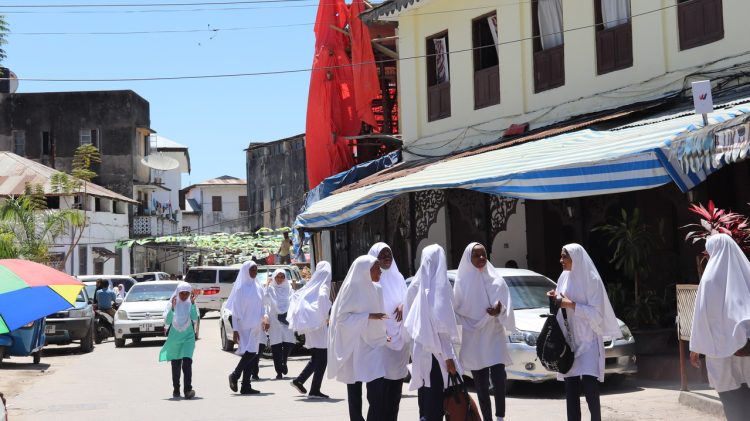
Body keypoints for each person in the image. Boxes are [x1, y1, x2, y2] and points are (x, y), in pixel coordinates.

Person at [547, 244, 620, 421]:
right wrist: (554, 299)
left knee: (590, 387)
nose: (561, 260)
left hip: (588, 340)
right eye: (561, 256)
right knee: (571, 389)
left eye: (565, 256)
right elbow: (559, 304)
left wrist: (571, 305)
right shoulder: (563, 277)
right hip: (570, 340)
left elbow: (597, 314)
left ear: (576, 258)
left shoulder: (592, 280)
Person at [689, 234, 750, 421]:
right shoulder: (746, 273)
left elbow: (701, 316)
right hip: (746, 349)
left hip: (719, 351)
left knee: (730, 398)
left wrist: (696, 347)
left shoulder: (709, 279)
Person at [453, 243, 515, 421]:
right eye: (476, 255)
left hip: (493, 333)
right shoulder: (462, 282)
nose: (481, 258)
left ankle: (500, 417)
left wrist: (499, 310)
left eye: (484, 254)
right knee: (480, 384)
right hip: (474, 338)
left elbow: (506, 305)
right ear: (468, 259)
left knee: (499, 378)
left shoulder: (496, 279)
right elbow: (456, 311)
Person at [328, 255, 389, 421]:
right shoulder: (351, 288)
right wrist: (368, 316)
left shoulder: (378, 289)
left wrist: (383, 336)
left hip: (372, 345)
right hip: (354, 346)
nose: (380, 271)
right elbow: (341, 318)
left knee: (377, 391)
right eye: (376, 268)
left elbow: (381, 317)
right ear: (365, 270)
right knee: (355, 391)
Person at [404, 244, 461, 421]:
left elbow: (410, 323)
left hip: (421, 353)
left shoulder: (416, 286)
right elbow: (441, 329)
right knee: (436, 404)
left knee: (426, 401)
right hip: (438, 356)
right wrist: (449, 358)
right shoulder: (439, 289)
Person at [368, 243, 410, 421]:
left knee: (395, 393)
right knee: (379, 395)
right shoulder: (370, 280)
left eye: (389, 254)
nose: (387, 257)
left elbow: (408, 299)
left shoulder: (399, 277)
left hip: (399, 341)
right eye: (382, 255)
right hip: (380, 342)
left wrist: (403, 305)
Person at [289, 261, 333, 399]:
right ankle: (313, 389)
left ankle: (301, 381)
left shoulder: (311, 285)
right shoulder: (323, 285)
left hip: (310, 325)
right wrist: (326, 316)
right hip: (318, 326)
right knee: (322, 357)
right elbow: (323, 298)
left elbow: (297, 297)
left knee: (317, 357)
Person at [226, 261, 270, 395]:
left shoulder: (258, 286)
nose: (254, 272)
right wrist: (235, 330)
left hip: (256, 326)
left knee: (251, 355)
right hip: (244, 327)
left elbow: (263, 305)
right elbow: (235, 312)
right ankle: (235, 375)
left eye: (256, 270)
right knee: (250, 353)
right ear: (246, 271)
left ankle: (246, 386)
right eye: (252, 270)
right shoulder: (240, 289)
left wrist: (265, 317)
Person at [159, 282, 199, 399]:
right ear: (177, 293)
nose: (184, 296)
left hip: (188, 338)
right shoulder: (173, 303)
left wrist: (192, 304)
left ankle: (188, 390)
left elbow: (194, 318)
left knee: (187, 363)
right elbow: (167, 321)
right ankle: (176, 388)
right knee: (176, 364)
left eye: (187, 293)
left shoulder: (191, 304)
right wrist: (172, 308)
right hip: (175, 337)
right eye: (182, 293)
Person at [264, 269, 297, 379]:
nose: (280, 279)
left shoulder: (289, 288)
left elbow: (294, 299)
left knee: (289, 343)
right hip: (274, 320)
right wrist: (267, 285)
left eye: (282, 276)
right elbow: (265, 300)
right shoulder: (270, 288)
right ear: (274, 277)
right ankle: (278, 371)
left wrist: (294, 288)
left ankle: (284, 361)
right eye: (277, 276)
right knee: (276, 346)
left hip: (287, 319)